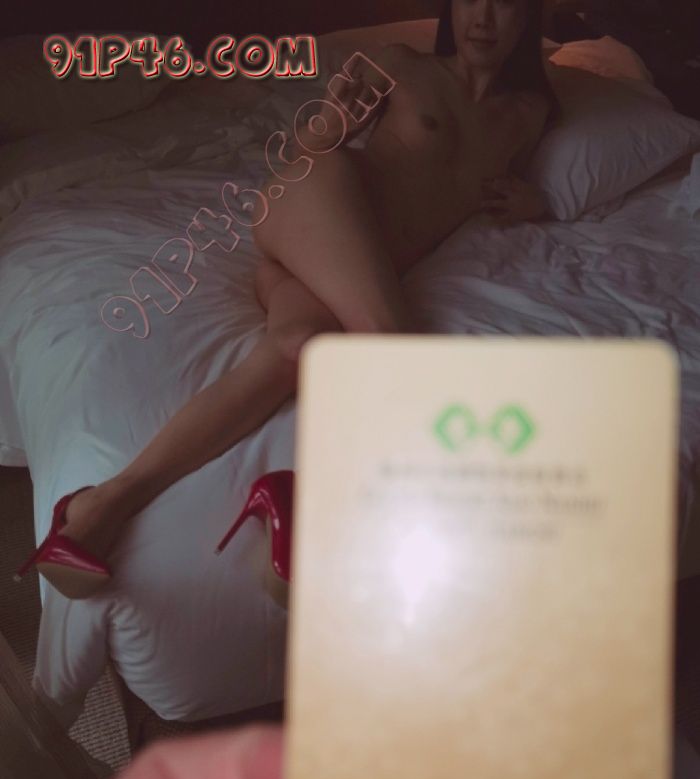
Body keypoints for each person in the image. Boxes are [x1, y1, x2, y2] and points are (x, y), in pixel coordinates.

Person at [16, 0, 558, 599]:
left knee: (297, 347)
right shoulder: (402, 63)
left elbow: (537, 178)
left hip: (332, 266)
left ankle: (97, 507)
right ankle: (333, 503)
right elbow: (305, 150)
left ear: (529, 16)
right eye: (471, 0)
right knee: (393, 344)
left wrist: (538, 203)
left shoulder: (529, 114)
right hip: (319, 196)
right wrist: (329, 122)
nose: (483, 18)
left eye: (504, 3)